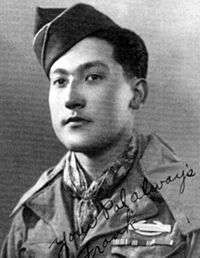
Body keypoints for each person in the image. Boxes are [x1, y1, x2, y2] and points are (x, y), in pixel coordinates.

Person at [1, 3, 200, 258]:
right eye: (60, 81)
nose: (71, 98)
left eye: (93, 77)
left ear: (136, 95)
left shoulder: (187, 199)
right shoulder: (33, 212)